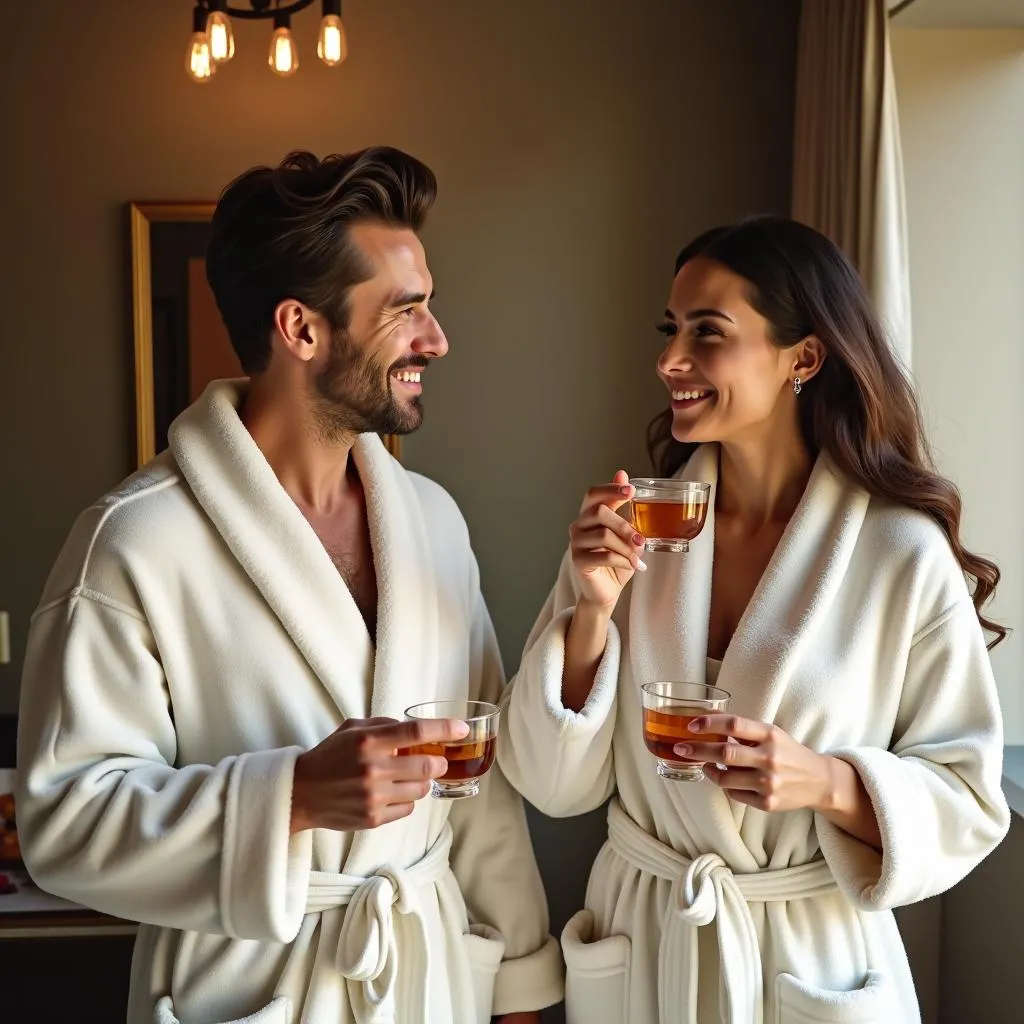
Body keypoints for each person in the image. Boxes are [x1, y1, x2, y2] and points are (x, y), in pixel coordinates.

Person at [16, 148, 561, 1024]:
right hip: (249, 989)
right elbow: (64, 825)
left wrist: (520, 989)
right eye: (406, 312)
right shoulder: (135, 541)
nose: (437, 338)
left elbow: (480, 785)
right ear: (301, 330)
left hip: (427, 984)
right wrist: (295, 795)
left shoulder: (431, 522)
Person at [496, 215, 1010, 1023]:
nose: (670, 360)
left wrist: (830, 783)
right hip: (649, 941)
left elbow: (969, 800)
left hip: (805, 957)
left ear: (803, 357)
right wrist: (592, 613)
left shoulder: (900, 554)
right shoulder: (638, 529)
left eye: (708, 332)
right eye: (671, 330)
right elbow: (551, 784)